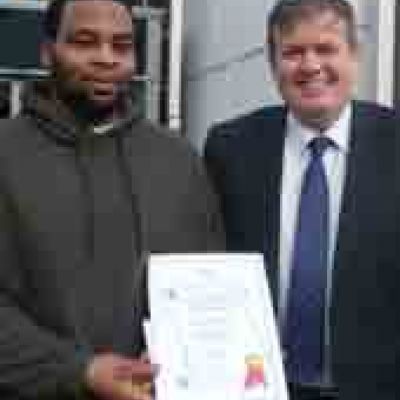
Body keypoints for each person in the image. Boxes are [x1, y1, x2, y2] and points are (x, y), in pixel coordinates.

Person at [0, 0, 223, 399]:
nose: (106, 58)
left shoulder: (179, 162)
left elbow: (209, 284)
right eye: (85, 42)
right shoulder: (6, 155)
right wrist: (79, 371)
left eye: (121, 45)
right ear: (47, 51)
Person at [205, 0, 399, 399]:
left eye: (326, 49)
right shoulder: (231, 148)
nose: (310, 66)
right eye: (293, 52)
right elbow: (208, 258)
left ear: (354, 56)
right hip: (258, 386)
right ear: (273, 65)